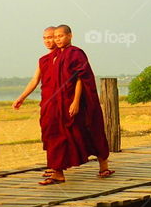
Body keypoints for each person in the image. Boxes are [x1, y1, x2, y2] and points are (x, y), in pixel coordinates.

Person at [40, 25, 113, 185]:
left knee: (89, 130)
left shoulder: (76, 53)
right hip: (57, 105)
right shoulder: (55, 56)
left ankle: (103, 165)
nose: (57, 39)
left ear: (70, 36)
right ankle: (57, 172)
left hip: (77, 103)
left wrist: (76, 101)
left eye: (60, 36)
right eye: (55, 36)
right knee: (57, 135)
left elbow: (81, 78)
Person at [12, 27, 60, 177]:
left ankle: (59, 168)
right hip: (48, 102)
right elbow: (35, 80)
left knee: (63, 134)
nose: (48, 41)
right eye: (45, 38)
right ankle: (53, 166)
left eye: (51, 37)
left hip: (64, 102)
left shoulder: (66, 56)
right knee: (49, 133)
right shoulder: (43, 60)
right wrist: (21, 97)